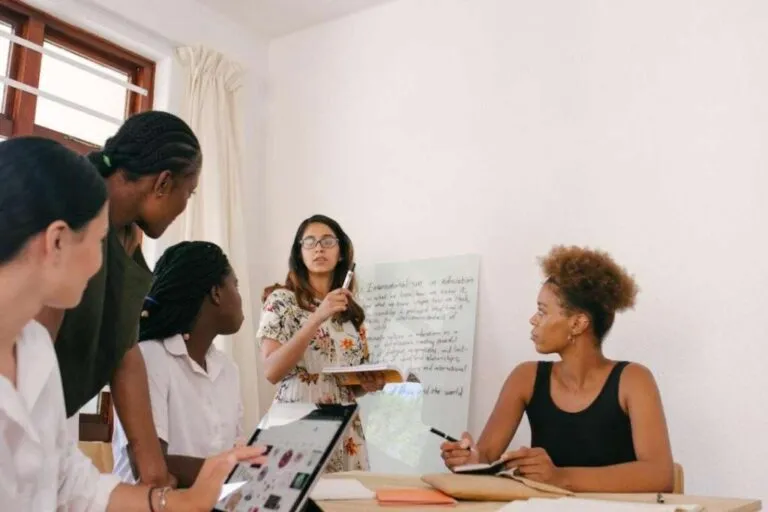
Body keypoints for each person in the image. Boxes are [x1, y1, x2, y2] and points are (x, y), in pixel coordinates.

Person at [0, 137, 263, 511]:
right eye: (99, 242)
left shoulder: (35, 351)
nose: (102, 264)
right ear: (57, 240)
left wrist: (177, 502)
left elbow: (70, 481)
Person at [35, 111, 202, 486]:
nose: (184, 207)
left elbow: (125, 354)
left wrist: (155, 475)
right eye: (187, 194)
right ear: (163, 182)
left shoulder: (126, 237)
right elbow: (33, 350)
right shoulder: (74, 208)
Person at [440, 246, 674, 493]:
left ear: (578, 323)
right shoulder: (525, 378)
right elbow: (486, 456)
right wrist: (470, 460)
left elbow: (659, 475)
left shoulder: (633, 380)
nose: (533, 319)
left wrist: (560, 477)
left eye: (542, 311)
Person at [113, 241, 246, 488]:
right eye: (235, 285)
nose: (240, 297)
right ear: (216, 293)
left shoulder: (227, 369)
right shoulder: (150, 357)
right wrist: (235, 469)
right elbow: (148, 466)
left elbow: (236, 452)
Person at [258, 214, 385, 472]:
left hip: (345, 428)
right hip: (297, 421)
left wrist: (367, 384)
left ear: (340, 253)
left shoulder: (351, 312)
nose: (318, 248)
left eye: (327, 241)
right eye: (310, 242)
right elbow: (272, 371)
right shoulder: (281, 300)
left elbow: (345, 383)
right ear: (299, 253)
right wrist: (317, 316)